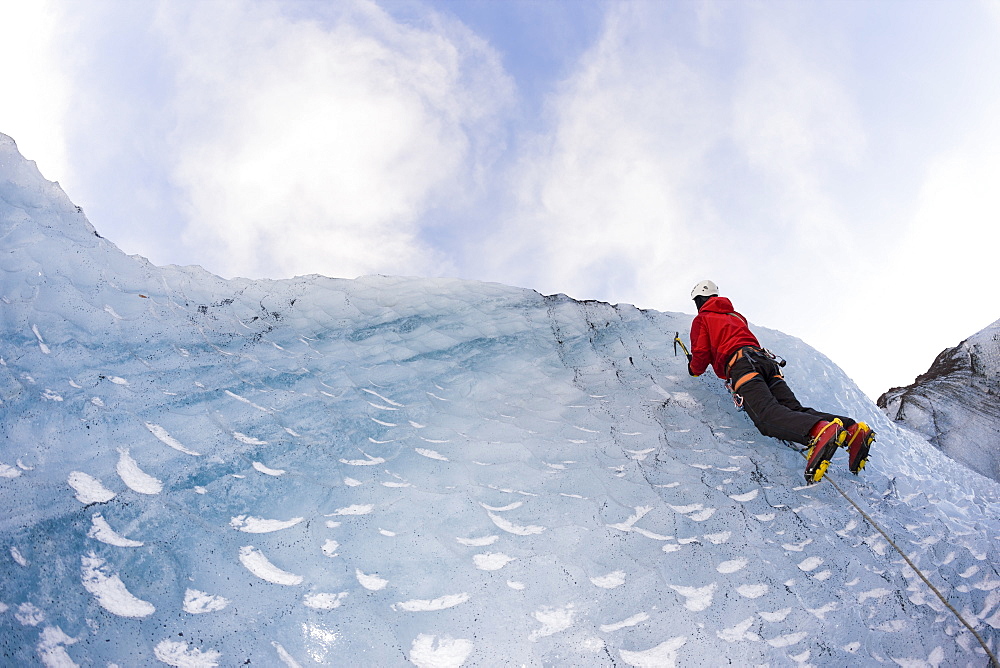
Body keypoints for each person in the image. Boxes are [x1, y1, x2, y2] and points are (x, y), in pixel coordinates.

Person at [685, 280, 874, 484]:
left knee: (766, 416)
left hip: (742, 366)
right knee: (791, 408)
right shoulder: (736, 316)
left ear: (700, 299)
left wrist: (693, 370)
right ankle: (853, 429)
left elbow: (702, 353)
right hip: (766, 362)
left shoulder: (703, 318)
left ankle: (818, 430)